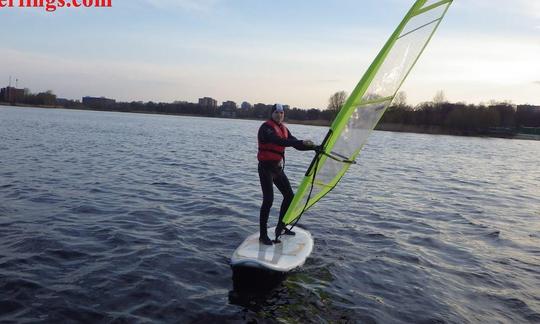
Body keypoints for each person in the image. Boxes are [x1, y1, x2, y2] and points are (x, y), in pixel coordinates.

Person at [257, 103, 317, 245]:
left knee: (290, 196)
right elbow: (278, 141)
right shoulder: (266, 128)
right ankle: (263, 235)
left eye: (282, 113)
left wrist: (314, 147)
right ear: (272, 113)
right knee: (268, 200)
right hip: (265, 168)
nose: (279, 115)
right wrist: (300, 142)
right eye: (277, 112)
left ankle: (281, 226)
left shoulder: (283, 128)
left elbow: (295, 144)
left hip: (277, 169)